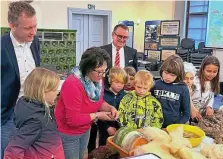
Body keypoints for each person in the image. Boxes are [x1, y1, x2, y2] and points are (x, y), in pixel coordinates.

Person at [55, 47, 119, 159]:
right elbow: (72, 120)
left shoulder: (98, 81)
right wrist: (98, 115)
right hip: (69, 133)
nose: (102, 75)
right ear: (87, 68)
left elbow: (98, 102)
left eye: (105, 71)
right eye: (99, 71)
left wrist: (109, 108)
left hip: (85, 128)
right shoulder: (73, 84)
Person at [1, 1, 40, 158]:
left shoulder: (35, 42)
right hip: (8, 115)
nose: (33, 32)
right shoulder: (1, 47)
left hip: (33, 112)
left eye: (35, 26)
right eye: (28, 28)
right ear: (12, 25)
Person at [4, 68, 65, 159]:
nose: (57, 92)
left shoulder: (34, 108)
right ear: (43, 91)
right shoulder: (36, 120)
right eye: (55, 89)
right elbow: (13, 150)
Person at [151, 55, 190, 128]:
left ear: (178, 75)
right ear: (162, 70)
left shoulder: (183, 89)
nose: (168, 77)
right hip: (154, 126)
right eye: (166, 73)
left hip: (173, 127)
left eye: (172, 75)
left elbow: (186, 114)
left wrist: (176, 126)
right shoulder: (155, 84)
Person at [97, 67, 127, 146]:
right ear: (110, 80)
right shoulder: (102, 94)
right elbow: (98, 114)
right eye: (117, 82)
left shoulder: (125, 95)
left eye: (122, 83)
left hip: (119, 131)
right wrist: (107, 128)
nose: (120, 85)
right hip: (105, 131)